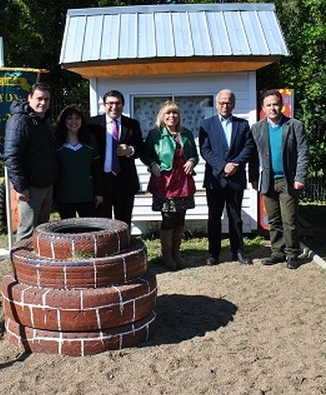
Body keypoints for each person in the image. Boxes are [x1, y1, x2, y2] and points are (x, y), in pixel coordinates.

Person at [249, 89, 310, 270]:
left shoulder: (294, 126)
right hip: (267, 180)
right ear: (263, 108)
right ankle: (277, 252)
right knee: (273, 219)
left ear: (282, 105)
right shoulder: (257, 128)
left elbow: (303, 153)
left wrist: (300, 177)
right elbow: (253, 156)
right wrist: (253, 179)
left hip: (288, 180)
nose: (272, 108)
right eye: (268, 105)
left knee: (289, 219)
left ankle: (292, 254)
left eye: (275, 104)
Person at [199, 89, 254, 266]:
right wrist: (223, 166)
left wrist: (235, 164)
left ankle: (237, 250)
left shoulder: (242, 125)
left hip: (236, 178)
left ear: (233, 104)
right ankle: (213, 253)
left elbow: (249, 147)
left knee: (235, 217)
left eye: (228, 102)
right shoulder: (206, 125)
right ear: (216, 104)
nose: (225, 105)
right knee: (214, 217)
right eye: (222, 102)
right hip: (215, 179)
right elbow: (205, 150)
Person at [141, 100, 198, 270]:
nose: (172, 116)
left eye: (174, 113)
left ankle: (176, 253)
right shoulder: (155, 134)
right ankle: (166, 256)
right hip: (165, 182)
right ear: (162, 116)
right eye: (168, 113)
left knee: (180, 217)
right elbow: (145, 154)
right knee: (168, 218)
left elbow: (194, 154)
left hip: (184, 181)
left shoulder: (186, 133)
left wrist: (192, 161)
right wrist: (152, 165)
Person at [4, 82, 57, 240]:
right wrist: (21, 187)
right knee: (27, 234)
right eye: (39, 98)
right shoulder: (19, 121)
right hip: (30, 188)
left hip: (45, 184)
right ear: (29, 98)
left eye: (47, 99)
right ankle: (20, 264)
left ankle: (37, 264)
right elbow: (11, 156)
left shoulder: (43, 120)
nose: (43, 103)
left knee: (42, 233)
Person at [88, 90, 144, 226]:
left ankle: (124, 246)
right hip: (102, 180)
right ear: (104, 105)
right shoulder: (92, 124)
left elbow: (142, 148)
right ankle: (105, 248)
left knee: (124, 222)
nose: (114, 106)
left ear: (123, 105)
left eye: (118, 103)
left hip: (125, 180)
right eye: (110, 103)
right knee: (102, 223)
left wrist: (130, 150)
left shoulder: (132, 124)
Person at [53, 105, 103, 219]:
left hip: (87, 195)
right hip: (64, 195)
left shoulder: (90, 140)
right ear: (63, 121)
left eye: (77, 118)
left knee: (88, 230)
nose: (74, 122)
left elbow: (97, 168)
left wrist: (99, 193)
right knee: (68, 232)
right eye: (70, 118)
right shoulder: (56, 142)